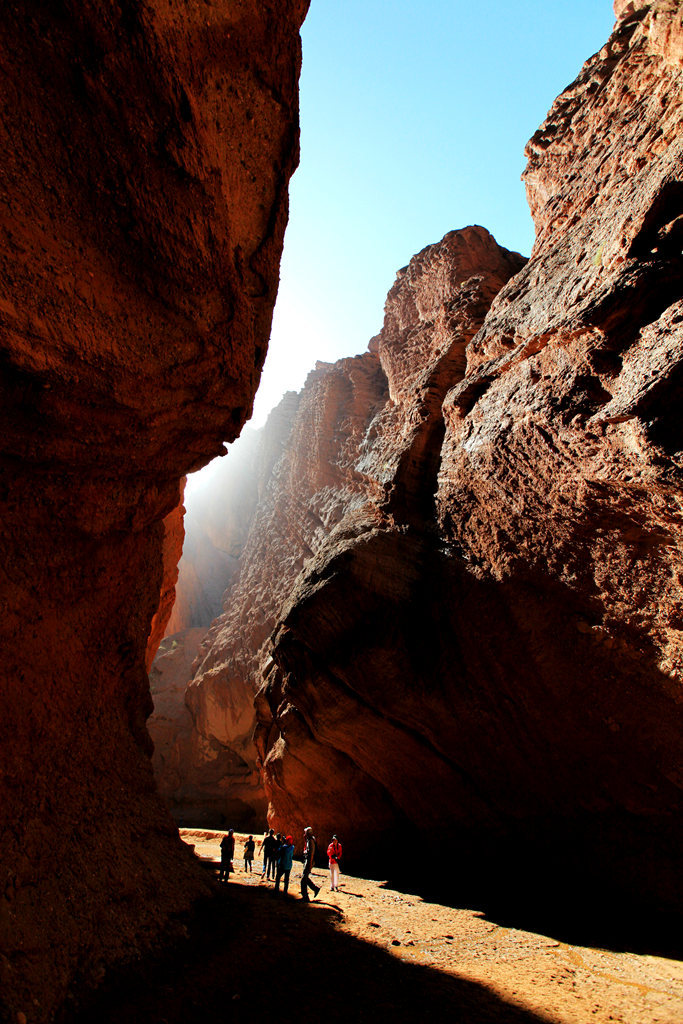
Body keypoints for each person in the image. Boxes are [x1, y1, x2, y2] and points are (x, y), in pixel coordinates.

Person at [300, 826, 320, 901]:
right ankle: (315, 889)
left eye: (305, 833)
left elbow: (311, 853)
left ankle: (305, 897)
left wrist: (309, 864)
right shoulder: (309, 840)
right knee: (305, 878)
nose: (304, 834)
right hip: (308, 861)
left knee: (303, 879)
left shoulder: (310, 841)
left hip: (309, 862)